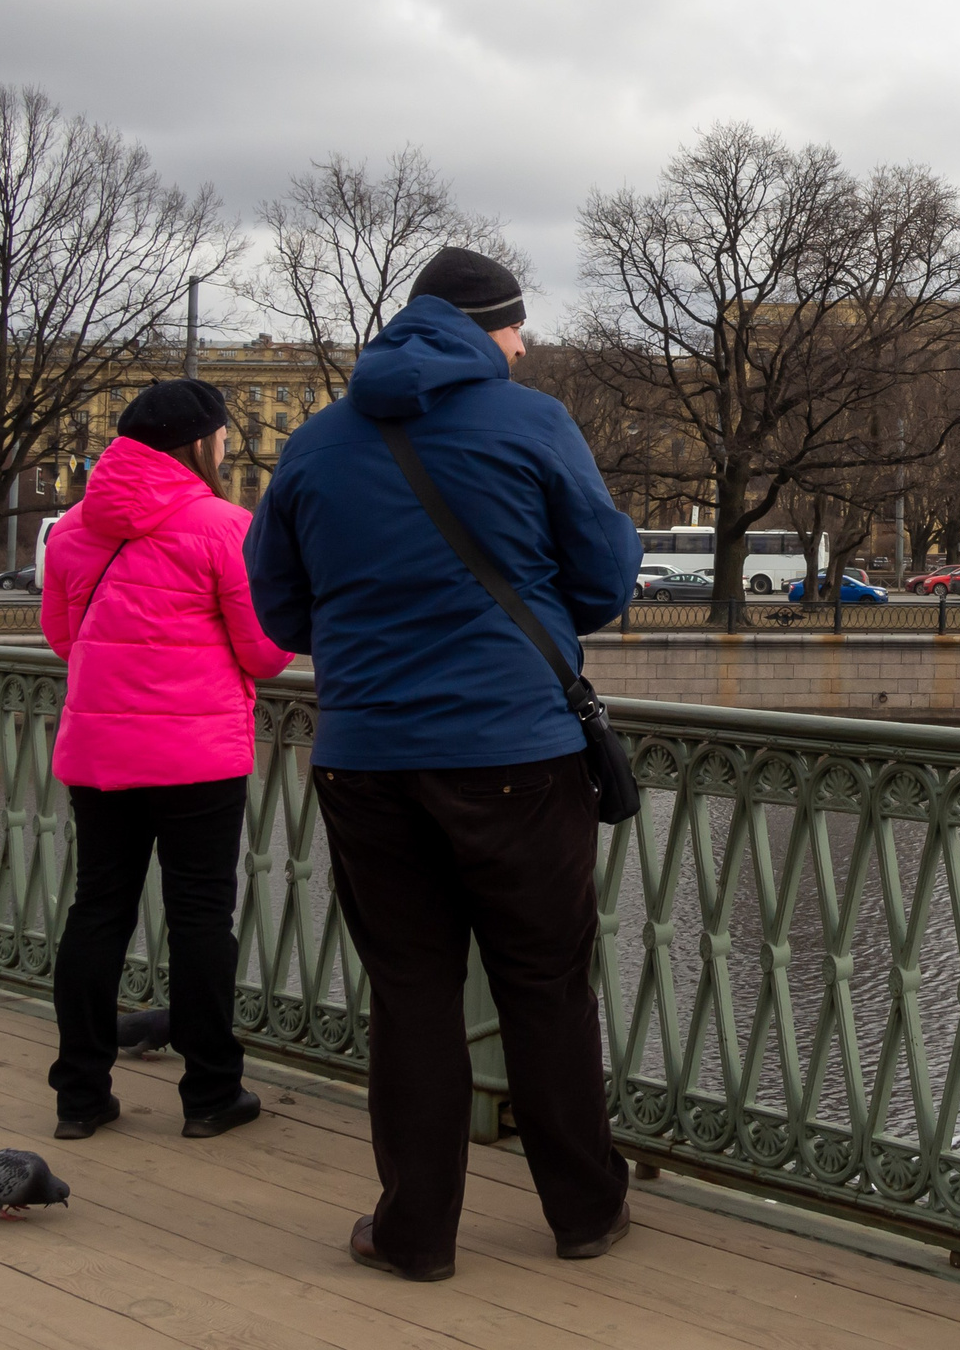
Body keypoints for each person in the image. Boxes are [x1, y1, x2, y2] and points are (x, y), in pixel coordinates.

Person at [245, 248, 640, 1283]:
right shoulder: (533, 423)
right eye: (516, 329)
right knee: (545, 984)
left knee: (411, 993)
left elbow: (277, 609)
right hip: (517, 751)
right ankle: (585, 1209)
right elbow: (603, 581)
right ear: (488, 329)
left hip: (365, 758)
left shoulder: (315, 442)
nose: (524, 348)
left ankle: (415, 1233)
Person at [42, 378, 293, 1143]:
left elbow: (64, 638)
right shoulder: (225, 526)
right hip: (196, 757)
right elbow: (264, 652)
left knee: (97, 911)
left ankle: (80, 1095)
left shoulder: (73, 530)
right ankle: (211, 1093)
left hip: (99, 752)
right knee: (200, 918)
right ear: (199, 444)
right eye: (222, 436)